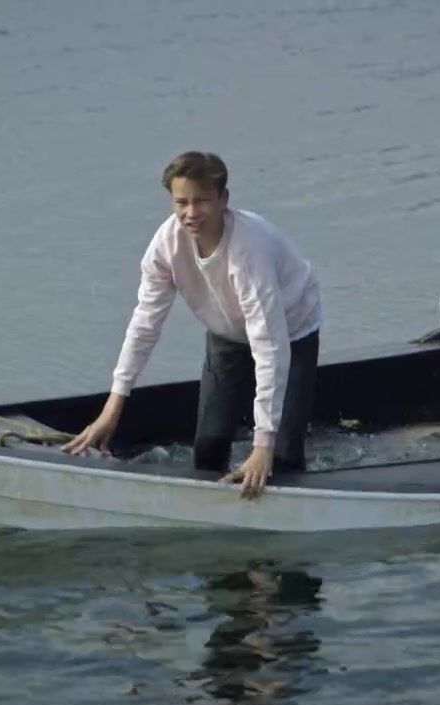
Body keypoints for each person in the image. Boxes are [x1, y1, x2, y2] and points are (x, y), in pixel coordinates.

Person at [62, 151, 323, 499]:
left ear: (223, 199)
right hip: (226, 334)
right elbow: (144, 325)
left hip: (291, 331)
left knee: (280, 456)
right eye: (181, 202)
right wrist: (112, 410)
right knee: (209, 447)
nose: (191, 213)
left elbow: (269, 347)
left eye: (201, 201)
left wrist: (262, 446)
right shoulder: (166, 245)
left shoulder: (249, 251)